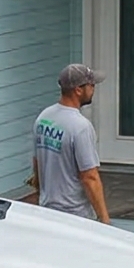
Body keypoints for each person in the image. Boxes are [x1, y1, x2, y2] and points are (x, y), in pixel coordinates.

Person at [33, 64, 109, 222]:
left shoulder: (43, 118)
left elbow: (37, 163)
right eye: (91, 85)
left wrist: (42, 194)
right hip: (75, 216)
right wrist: (104, 218)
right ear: (78, 90)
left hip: (47, 211)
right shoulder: (80, 127)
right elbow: (89, 177)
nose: (93, 89)